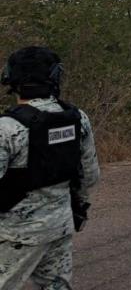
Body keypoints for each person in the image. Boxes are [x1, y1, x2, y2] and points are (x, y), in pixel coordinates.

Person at [0, 47, 99, 290]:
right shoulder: (77, 118)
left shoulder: (7, 128)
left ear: (11, 78)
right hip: (61, 224)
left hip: (17, 233)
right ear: (55, 77)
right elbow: (90, 175)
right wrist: (78, 205)